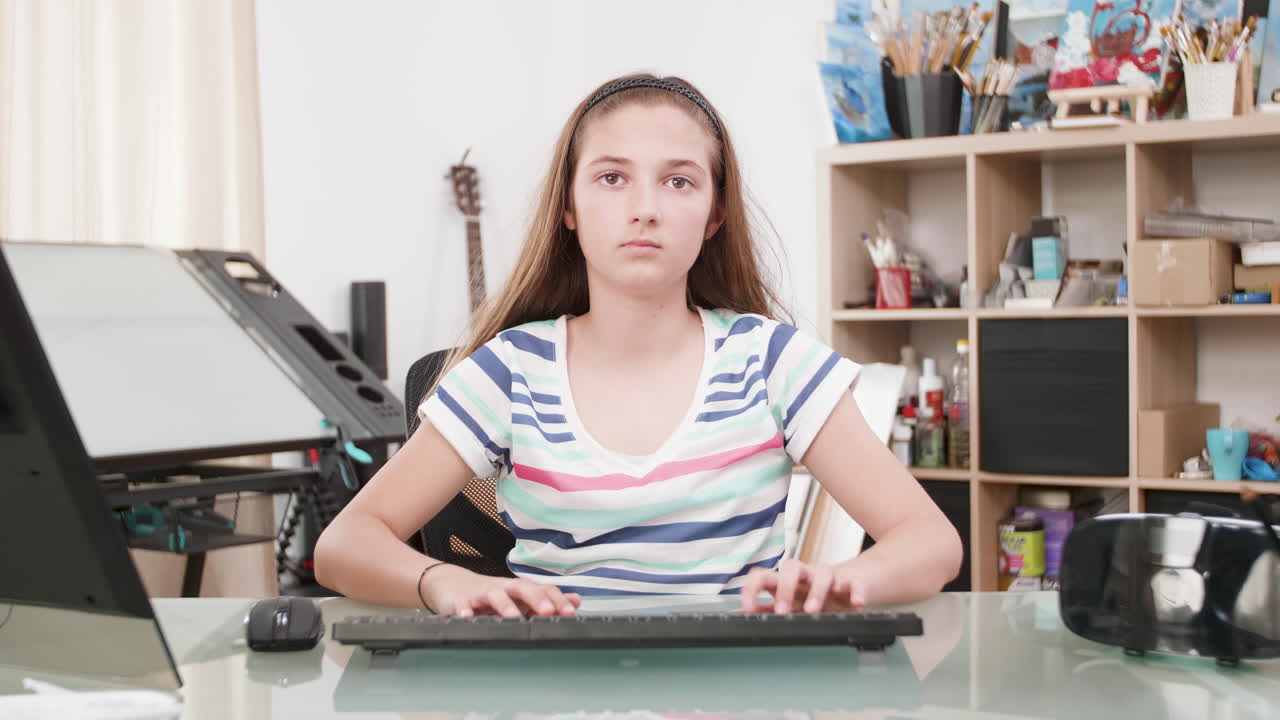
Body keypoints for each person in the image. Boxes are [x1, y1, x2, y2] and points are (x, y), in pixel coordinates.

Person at [315, 73, 961, 618]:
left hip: (737, 692)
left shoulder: (770, 362)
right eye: (611, 178)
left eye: (678, 181)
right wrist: (442, 581)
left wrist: (846, 583)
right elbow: (345, 544)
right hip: (556, 694)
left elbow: (931, 540)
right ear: (568, 205)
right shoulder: (511, 372)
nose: (645, 208)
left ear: (714, 215)